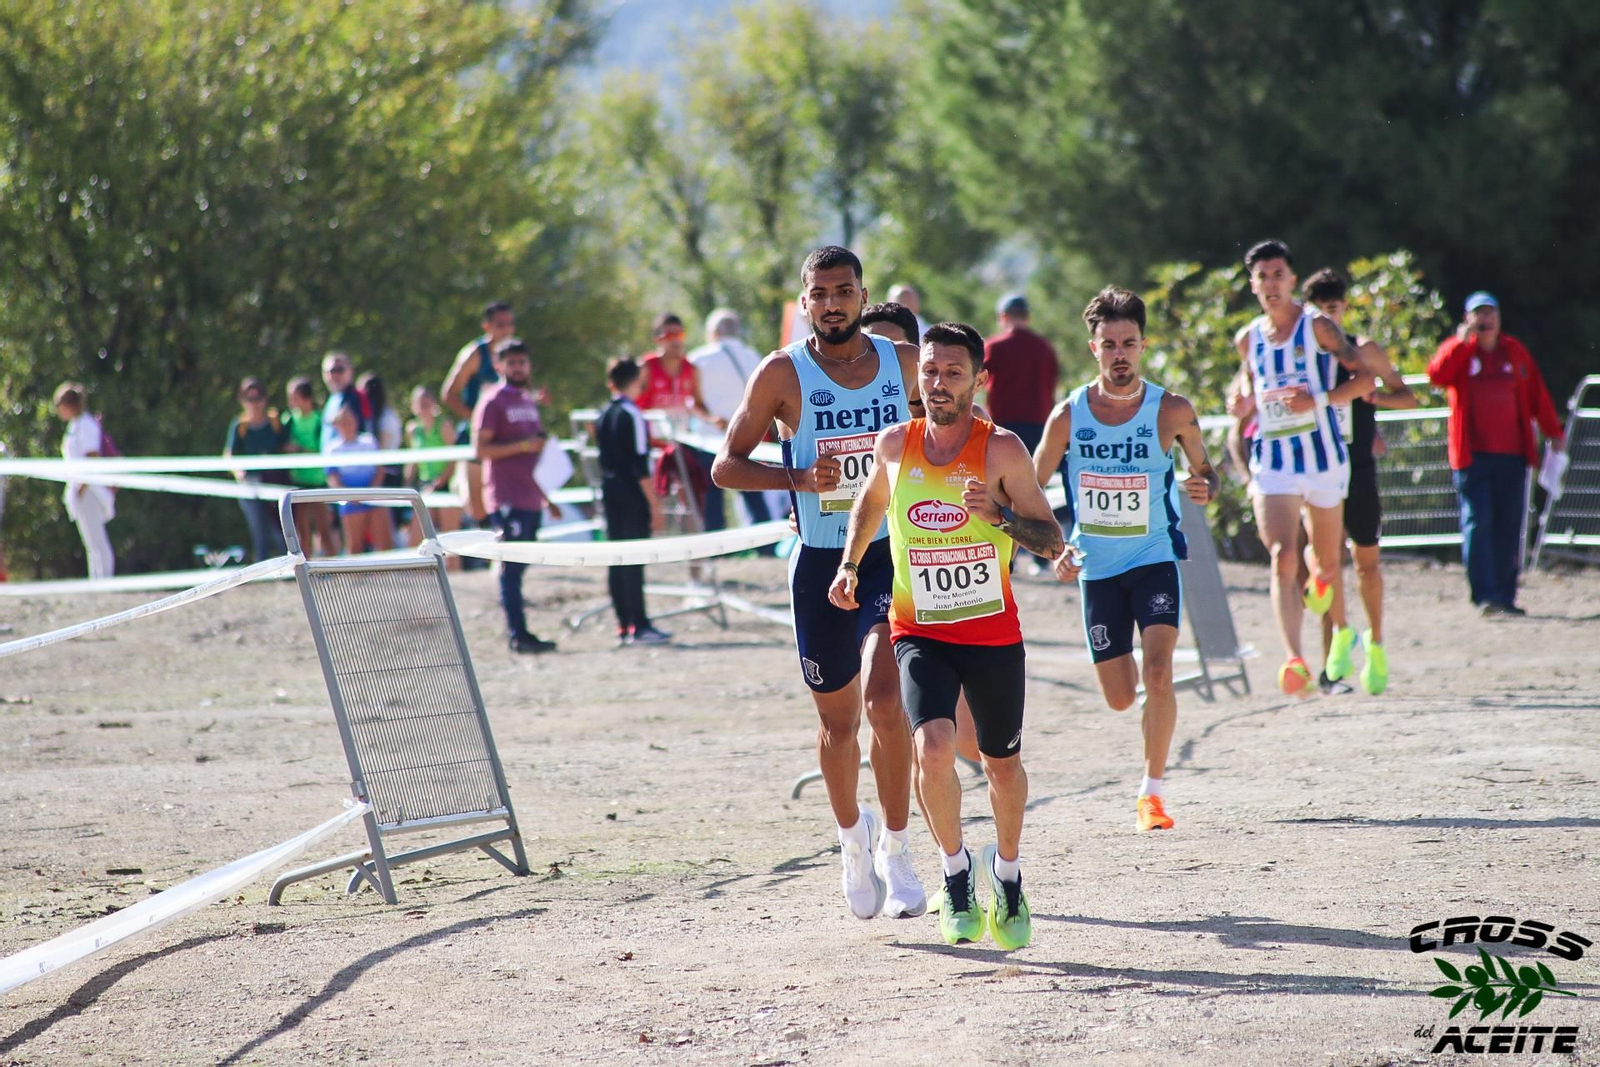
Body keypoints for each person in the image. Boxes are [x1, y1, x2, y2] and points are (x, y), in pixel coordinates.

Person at [830, 321, 1063, 948]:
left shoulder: (1002, 450)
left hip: (991, 634)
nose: (938, 382)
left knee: (1001, 765)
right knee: (932, 747)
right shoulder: (895, 444)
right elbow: (870, 504)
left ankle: (1007, 876)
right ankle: (956, 873)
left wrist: (1002, 517)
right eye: (929, 370)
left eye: (953, 372)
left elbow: (1052, 541)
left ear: (978, 381)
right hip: (920, 630)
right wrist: (850, 565)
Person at [712, 246, 926, 920]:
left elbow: (951, 431)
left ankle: (897, 848)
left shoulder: (904, 363)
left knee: (887, 702)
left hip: (890, 554)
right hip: (820, 562)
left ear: (863, 295)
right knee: (838, 723)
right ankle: (852, 841)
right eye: (820, 293)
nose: (833, 303)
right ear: (805, 301)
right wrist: (798, 479)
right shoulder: (782, 372)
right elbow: (725, 466)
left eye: (844, 291)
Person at [1034, 288, 1219, 832]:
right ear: (1093, 348)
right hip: (1097, 567)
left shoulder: (1172, 410)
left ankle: (1151, 793)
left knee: (1158, 673)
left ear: (1143, 345)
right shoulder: (1068, 415)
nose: (1120, 354)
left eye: (1129, 343)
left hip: (1153, 555)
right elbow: (1030, 490)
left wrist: (1204, 487)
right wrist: (1055, 550)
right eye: (1110, 344)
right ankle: (1145, 708)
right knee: (1120, 697)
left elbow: (1207, 472)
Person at [1230, 239, 1374, 694]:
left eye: (1278, 275)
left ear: (1292, 279)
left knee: (1327, 565)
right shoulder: (1248, 338)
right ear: (1252, 285)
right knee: (1282, 555)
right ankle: (1294, 660)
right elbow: (1247, 384)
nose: (1271, 284)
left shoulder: (1318, 327)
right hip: (1274, 461)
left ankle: (1334, 656)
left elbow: (1365, 378)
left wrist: (1319, 399)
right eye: (1262, 277)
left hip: (1323, 459)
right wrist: (1241, 402)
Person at [1303, 268, 1418, 693]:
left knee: (1366, 562)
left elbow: (1408, 397)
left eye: (1333, 309)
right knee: (1323, 561)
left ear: (1345, 308)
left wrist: (1375, 398)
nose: (1327, 319)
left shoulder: (1364, 351)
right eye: (1319, 311)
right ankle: (1340, 637)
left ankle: (1376, 643)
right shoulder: (1302, 357)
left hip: (1359, 469)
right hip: (1319, 468)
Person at [1427, 293, 1565, 616]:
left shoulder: (1514, 351)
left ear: (1499, 318)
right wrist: (1460, 343)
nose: (1485, 320)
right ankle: (1485, 595)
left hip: (1512, 456)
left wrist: (1554, 432)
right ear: (1468, 319)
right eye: (1479, 314)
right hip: (1472, 457)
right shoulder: (1461, 351)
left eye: (1490, 313)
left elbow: (1536, 394)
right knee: (1478, 522)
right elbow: (1437, 376)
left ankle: (1505, 595)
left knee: (1508, 525)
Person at [474, 340, 558, 655]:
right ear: (499, 366)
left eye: (522, 362)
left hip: (530, 496)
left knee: (522, 563)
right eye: (512, 363)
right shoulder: (492, 401)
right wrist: (523, 446)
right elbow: (481, 449)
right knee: (510, 567)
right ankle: (517, 634)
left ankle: (520, 630)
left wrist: (547, 497)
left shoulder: (527, 399)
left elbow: (535, 451)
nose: (518, 368)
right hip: (506, 496)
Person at [597, 358, 670, 646]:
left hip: (609, 491)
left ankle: (623, 623)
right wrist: (654, 504)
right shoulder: (633, 414)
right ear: (636, 380)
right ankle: (639, 625)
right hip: (631, 493)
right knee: (634, 558)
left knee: (617, 558)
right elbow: (640, 466)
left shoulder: (603, 414)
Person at [688, 308, 775, 547]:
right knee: (753, 493)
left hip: (709, 437)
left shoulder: (698, 358)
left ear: (713, 332)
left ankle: (717, 548)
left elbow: (693, 400)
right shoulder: (753, 356)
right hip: (748, 435)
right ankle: (765, 545)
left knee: (712, 496)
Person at [639, 313, 721, 531]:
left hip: (680, 445)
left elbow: (697, 403)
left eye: (680, 335)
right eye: (670, 335)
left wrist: (712, 419)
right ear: (658, 339)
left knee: (694, 495)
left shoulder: (690, 369)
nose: (676, 341)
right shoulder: (647, 367)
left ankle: (696, 544)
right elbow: (633, 404)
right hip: (650, 448)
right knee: (656, 504)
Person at [443, 301, 516, 523]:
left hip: (506, 440)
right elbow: (448, 394)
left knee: (506, 502)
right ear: (487, 326)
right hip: (476, 439)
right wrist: (478, 420)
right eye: (500, 325)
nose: (507, 330)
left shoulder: (515, 355)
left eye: (510, 324)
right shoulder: (474, 354)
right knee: (478, 509)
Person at [53, 382, 115, 579]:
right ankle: (96, 582)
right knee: (90, 543)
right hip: (80, 489)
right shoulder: (74, 426)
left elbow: (92, 457)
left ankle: (105, 582)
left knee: (98, 541)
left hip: (89, 490)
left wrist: (82, 487)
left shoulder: (86, 424)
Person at [223, 377, 288, 563]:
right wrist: (238, 471)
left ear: (264, 399)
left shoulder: (275, 422)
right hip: (249, 484)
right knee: (259, 531)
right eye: (249, 399)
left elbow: (285, 446)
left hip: (275, 483)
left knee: (281, 529)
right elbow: (229, 454)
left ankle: (290, 568)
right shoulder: (240, 426)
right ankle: (261, 569)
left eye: (257, 398)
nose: (254, 404)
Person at [323, 403, 393, 554]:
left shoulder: (369, 441)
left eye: (350, 420)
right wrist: (349, 496)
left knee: (386, 546)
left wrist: (372, 491)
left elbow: (380, 468)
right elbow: (332, 476)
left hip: (374, 498)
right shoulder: (332, 449)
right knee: (355, 547)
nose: (347, 425)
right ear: (336, 425)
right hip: (351, 502)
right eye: (343, 422)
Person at [404, 386, 462, 562]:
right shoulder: (413, 429)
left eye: (426, 400)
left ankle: (455, 574)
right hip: (424, 485)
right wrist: (406, 486)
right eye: (419, 402)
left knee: (450, 539)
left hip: (446, 484)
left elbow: (454, 459)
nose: (423, 405)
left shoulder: (444, 425)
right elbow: (413, 460)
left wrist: (439, 482)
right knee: (416, 538)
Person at [282, 376, 338, 557]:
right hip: (298, 481)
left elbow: (324, 450)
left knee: (324, 530)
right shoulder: (288, 420)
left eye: (295, 396)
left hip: (317, 481)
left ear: (306, 397)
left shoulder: (319, 420)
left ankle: (333, 567)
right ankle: (304, 568)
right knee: (301, 532)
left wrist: (299, 449)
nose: (291, 401)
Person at [320, 352, 368, 450]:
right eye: (331, 371)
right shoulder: (333, 399)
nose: (335, 375)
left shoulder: (356, 398)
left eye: (340, 370)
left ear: (350, 371)